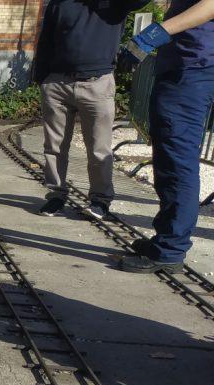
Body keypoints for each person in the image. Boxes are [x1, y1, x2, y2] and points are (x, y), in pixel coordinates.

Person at [117, 0, 214, 272]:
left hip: (192, 68)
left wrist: (154, 34)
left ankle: (170, 250)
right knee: (168, 157)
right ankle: (166, 239)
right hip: (184, 66)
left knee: (177, 161)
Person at [31, 0, 150, 220]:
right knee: (54, 146)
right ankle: (56, 196)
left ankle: (100, 200)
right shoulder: (60, 2)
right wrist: (42, 78)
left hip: (97, 82)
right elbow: (46, 38)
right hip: (57, 82)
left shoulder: (114, 4)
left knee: (98, 148)